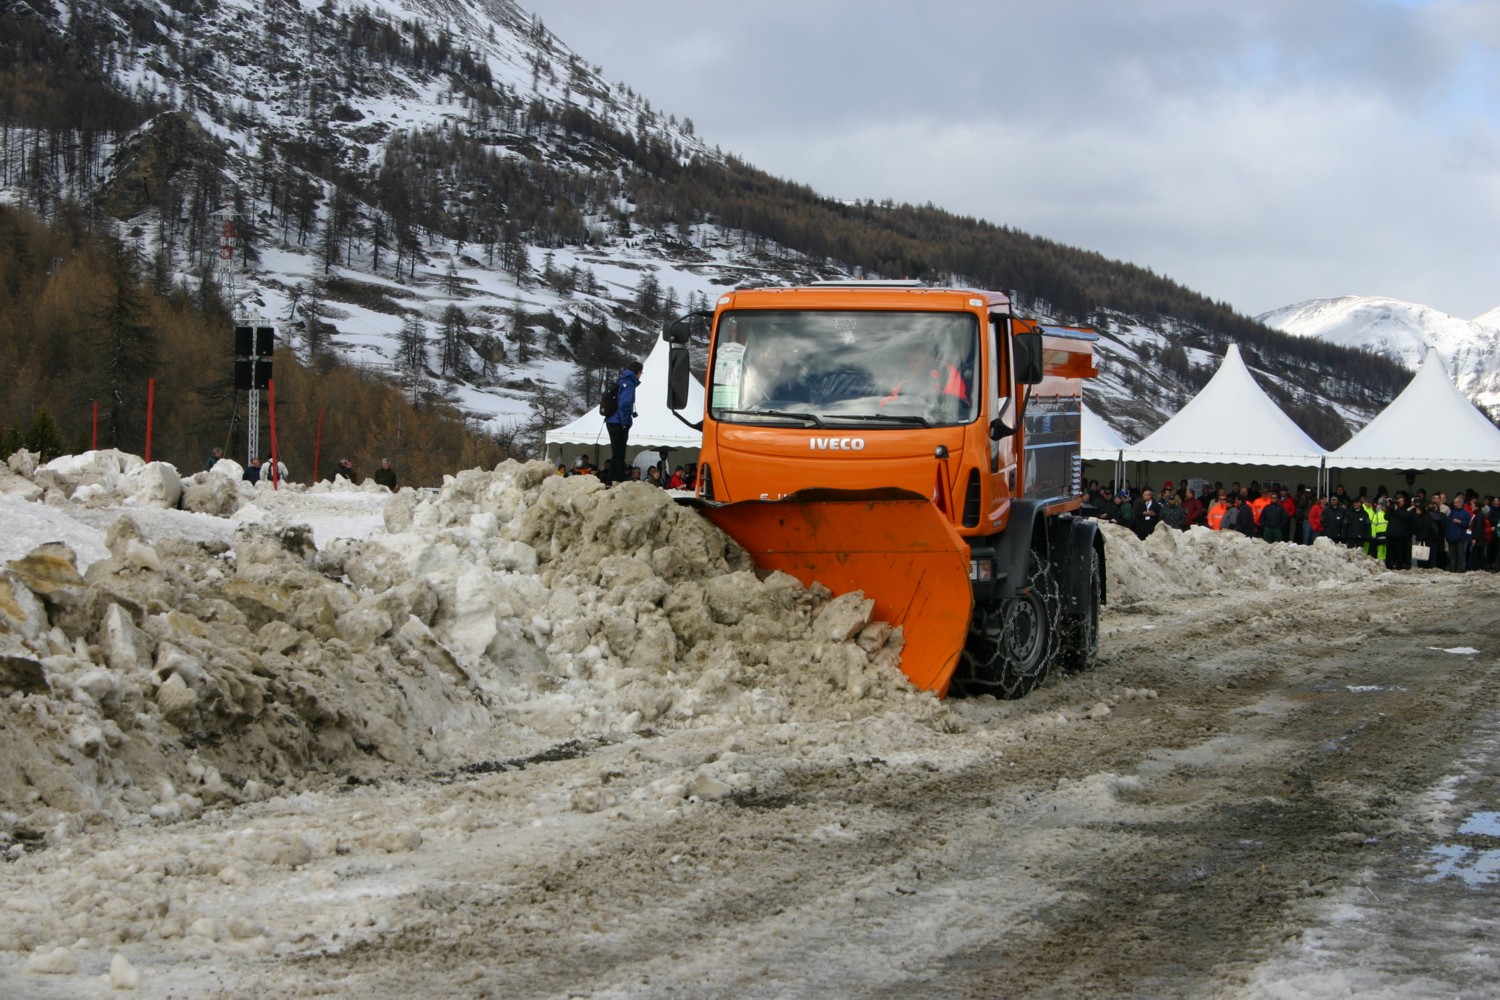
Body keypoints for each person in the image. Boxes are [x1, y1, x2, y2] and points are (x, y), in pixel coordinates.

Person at [604, 360, 642, 485]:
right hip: (618, 422)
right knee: (619, 454)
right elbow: (625, 404)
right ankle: (616, 481)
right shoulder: (629, 383)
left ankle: (613, 480)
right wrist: (625, 422)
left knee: (616, 453)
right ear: (638, 372)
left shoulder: (621, 380)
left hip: (611, 420)